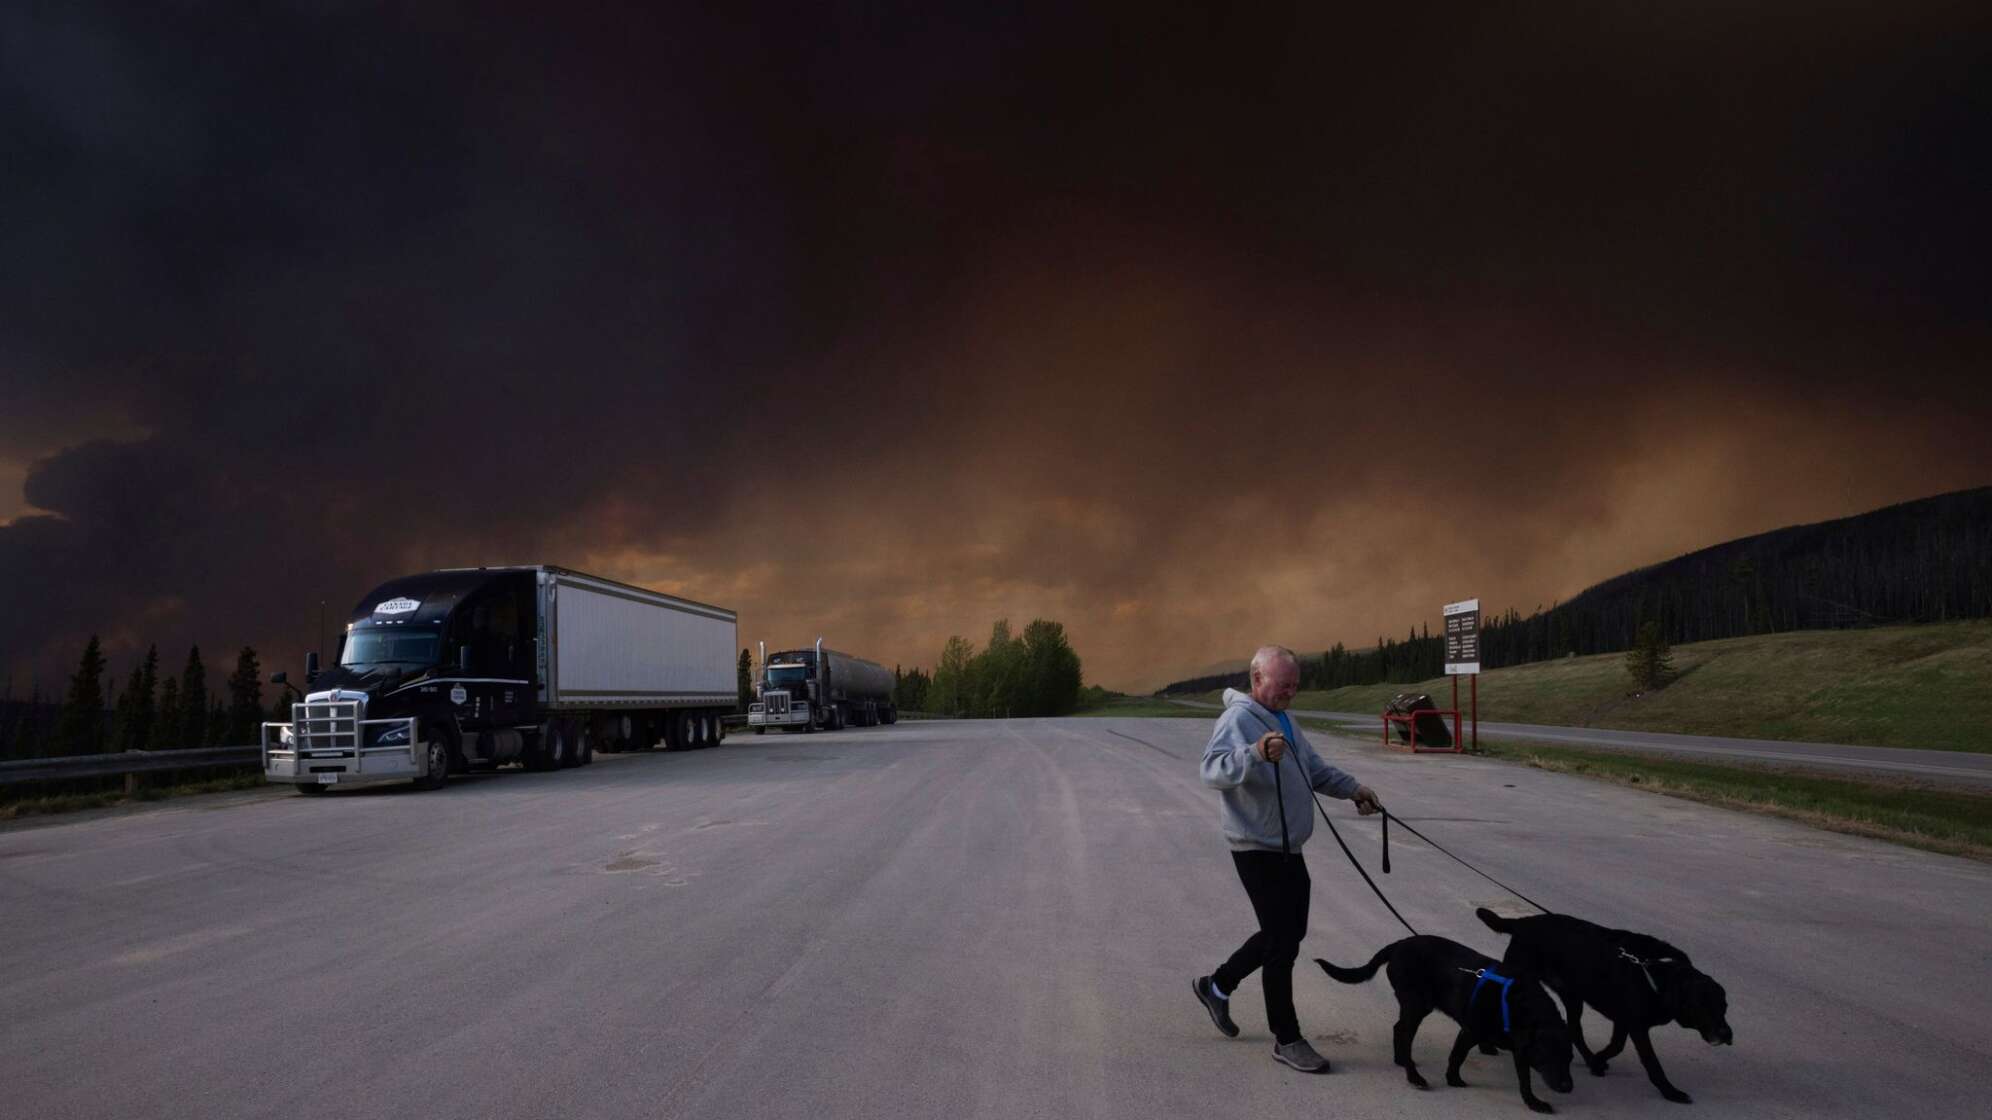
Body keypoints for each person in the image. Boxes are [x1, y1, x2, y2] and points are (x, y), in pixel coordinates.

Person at [1192, 645, 1381, 1073]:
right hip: (1256, 847)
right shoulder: (1238, 719)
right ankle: (1287, 1038)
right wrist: (1255, 752)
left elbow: (1313, 769)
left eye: (1295, 686)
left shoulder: (1286, 720)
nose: (1290, 693)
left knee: (1288, 932)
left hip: (1288, 849)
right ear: (1258, 679)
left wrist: (1354, 789)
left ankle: (1216, 986)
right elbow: (1211, 770)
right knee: (1281, 943)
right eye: (1283, 685)